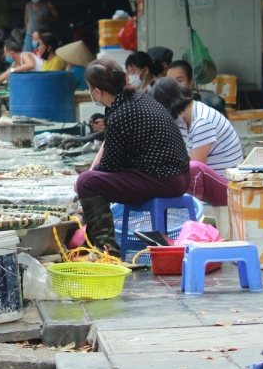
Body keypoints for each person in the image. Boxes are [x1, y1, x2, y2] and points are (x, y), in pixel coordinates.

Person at [74, 59, 191, 253]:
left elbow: (110, 167)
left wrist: (83, 182)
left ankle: (106, 250)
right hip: (178, 175)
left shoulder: (121, 113)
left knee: (88, 182)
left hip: (165, 179)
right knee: (90, 178)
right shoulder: (137, 99)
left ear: (96, 91)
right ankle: (99, 243)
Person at [150, 78, 243, 206]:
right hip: (212, 184)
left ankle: (192, 211)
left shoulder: (203, 121)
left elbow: (194, 171)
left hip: (229, 188)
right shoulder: (183, 122)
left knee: (193, 169)